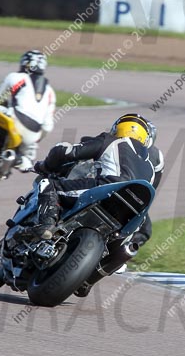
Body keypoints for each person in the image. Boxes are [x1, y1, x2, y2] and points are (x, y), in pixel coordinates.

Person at [29, 113, 163, 297]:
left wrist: (45, 166)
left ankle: (46, 225)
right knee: (135, 240)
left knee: (47, 185)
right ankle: (90, 278)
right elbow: (151, 190)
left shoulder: (110, 141)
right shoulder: (151, 163)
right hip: (134, 214)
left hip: (105, 189)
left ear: (117, 129)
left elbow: (65, 152)